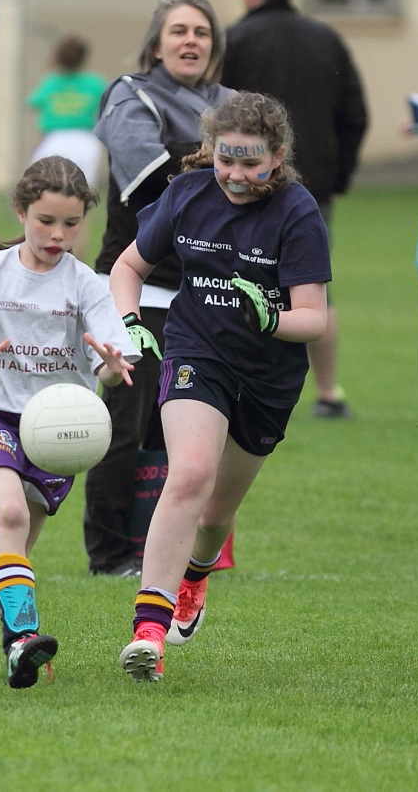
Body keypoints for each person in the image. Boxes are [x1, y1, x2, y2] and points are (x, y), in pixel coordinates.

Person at [112, 92, 330, 682]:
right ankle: (149, 631)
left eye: (249, 162)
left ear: (278, 156)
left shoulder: (298, 211)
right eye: (224, 159)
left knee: (215, 514)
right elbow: (127, 267)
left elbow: (315, 317)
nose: (234, 175)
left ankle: (196, 575)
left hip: (269, 375)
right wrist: (130, 323)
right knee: (189, 474)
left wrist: (270, 320)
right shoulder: (186, 195)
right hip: (195, 352)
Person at [0, 156, 139, 688]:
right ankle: (22, 640)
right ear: (20, 211)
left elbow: (111, 371)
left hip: (62, 432)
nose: (57, 234)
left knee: (11, 553)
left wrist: (110, 368)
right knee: (10, 513)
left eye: (70, 223)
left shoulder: (88, 285)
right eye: (45, 221)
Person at [83, 0, 234, 577]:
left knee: (183, 428)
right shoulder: (130, 95)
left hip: (204, 296)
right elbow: (151, 180)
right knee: (124, 424)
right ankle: (108, 551)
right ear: (156, 43)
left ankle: (163, 546)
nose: (191, 40)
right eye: (179, 31)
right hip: (133, 292)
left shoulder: (233, 104)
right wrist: (228, 177)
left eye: (201, 31)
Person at [222, 0, 368, 420]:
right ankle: (328, 392)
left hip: (239, 188)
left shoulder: (235, 40)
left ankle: (229, 384)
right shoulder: (326, 39)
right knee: (313, 288)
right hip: (312, 188)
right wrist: (336, 177)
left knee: (228, 284)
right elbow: (354, 114)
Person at [27, 35, 106, 192]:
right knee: (82, 194)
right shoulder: (95, 83)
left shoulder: (51, 82)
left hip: (55, 138)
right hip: (86, 141)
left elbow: (33, 104)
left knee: (39, 189)